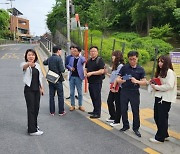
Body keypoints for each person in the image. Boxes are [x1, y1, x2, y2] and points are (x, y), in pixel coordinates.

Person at [115, 51, 147, 137]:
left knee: (135, 110)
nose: (132, 61)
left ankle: (136, 128)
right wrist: (121, 80)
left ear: (137, 58)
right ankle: (125, 125)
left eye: (134, 59)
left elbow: (144, 82)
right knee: (123, 109)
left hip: (134, 92)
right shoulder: (124, 68)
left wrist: (137, 81)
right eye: (130, 59)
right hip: (124, 91)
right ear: (128, 59)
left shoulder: (140, 69)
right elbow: (118, 78)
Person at [149, 55, 177, 143]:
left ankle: (160, 137)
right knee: (159, 117)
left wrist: (157, 86)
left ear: (167, 63)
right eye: (159, 61)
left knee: (161, 118)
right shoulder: (162, 72)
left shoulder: (169, 72)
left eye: (162, 62)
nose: (160, 63)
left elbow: (169, 85)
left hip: (165, 99)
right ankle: (164, 134)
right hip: (159, 97)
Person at [20, 49, 44, 136]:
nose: (31, 56)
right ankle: (32, 131)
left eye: (33, 55)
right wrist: (28, 64)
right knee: (31, 109)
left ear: (35, 56)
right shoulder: (24, 64)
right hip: (29, 90)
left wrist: (42, 88)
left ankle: (33, 125)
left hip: (37, 90)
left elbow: (40, 77)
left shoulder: (37, 65)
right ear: (26, 56)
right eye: (29, 55)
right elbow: (24, 67)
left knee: (36, 108)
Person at [43, 46, 66, 116]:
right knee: (60, 95)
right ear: (58, 51)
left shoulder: (50, 58)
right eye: (60, 50)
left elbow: (44, 62)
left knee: (51, 95)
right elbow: (62, 70)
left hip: (51, 79)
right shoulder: (59, 59)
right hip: (58, 79)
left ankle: (52, 111)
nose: (61, 52)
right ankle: (61, 111)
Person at [84, 46, 105, 118]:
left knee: (97, 97)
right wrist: (85, 72)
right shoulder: (89, 61)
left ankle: (97, 113)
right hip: (91, 82)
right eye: (91, 51)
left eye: (94, 51)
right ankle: (95, 110)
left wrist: (92, 73)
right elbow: (86, 68)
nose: (93, 53)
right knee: (92, 96)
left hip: (97, 82)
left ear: (97, 52)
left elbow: (102, 71)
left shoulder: (99, 60)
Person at [106, 50, 124, 127]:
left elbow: (119, 77)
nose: (112, 57)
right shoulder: (115, 66)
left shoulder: (121, 66)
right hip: (113, 86)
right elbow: (114, 76)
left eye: (113, 55)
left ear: (117, 56)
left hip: (118, 87)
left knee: (117, 103)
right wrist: (107, 73)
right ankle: (113, 116)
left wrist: (114, 86)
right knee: (109, 101)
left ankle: (117, 120)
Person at [66, 46, 86, 111]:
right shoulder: (71, 58)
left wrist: (80, 55)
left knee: (79, 92)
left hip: (79, 77)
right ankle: (72, 105)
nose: (73, 52)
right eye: (73, 51)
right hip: (72, 76)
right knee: (72, 92)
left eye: (75, 51)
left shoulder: (82, 58)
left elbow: (85, 62)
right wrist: (70, 68)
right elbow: (68, 65)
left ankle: (80, 105)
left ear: (79, 52)